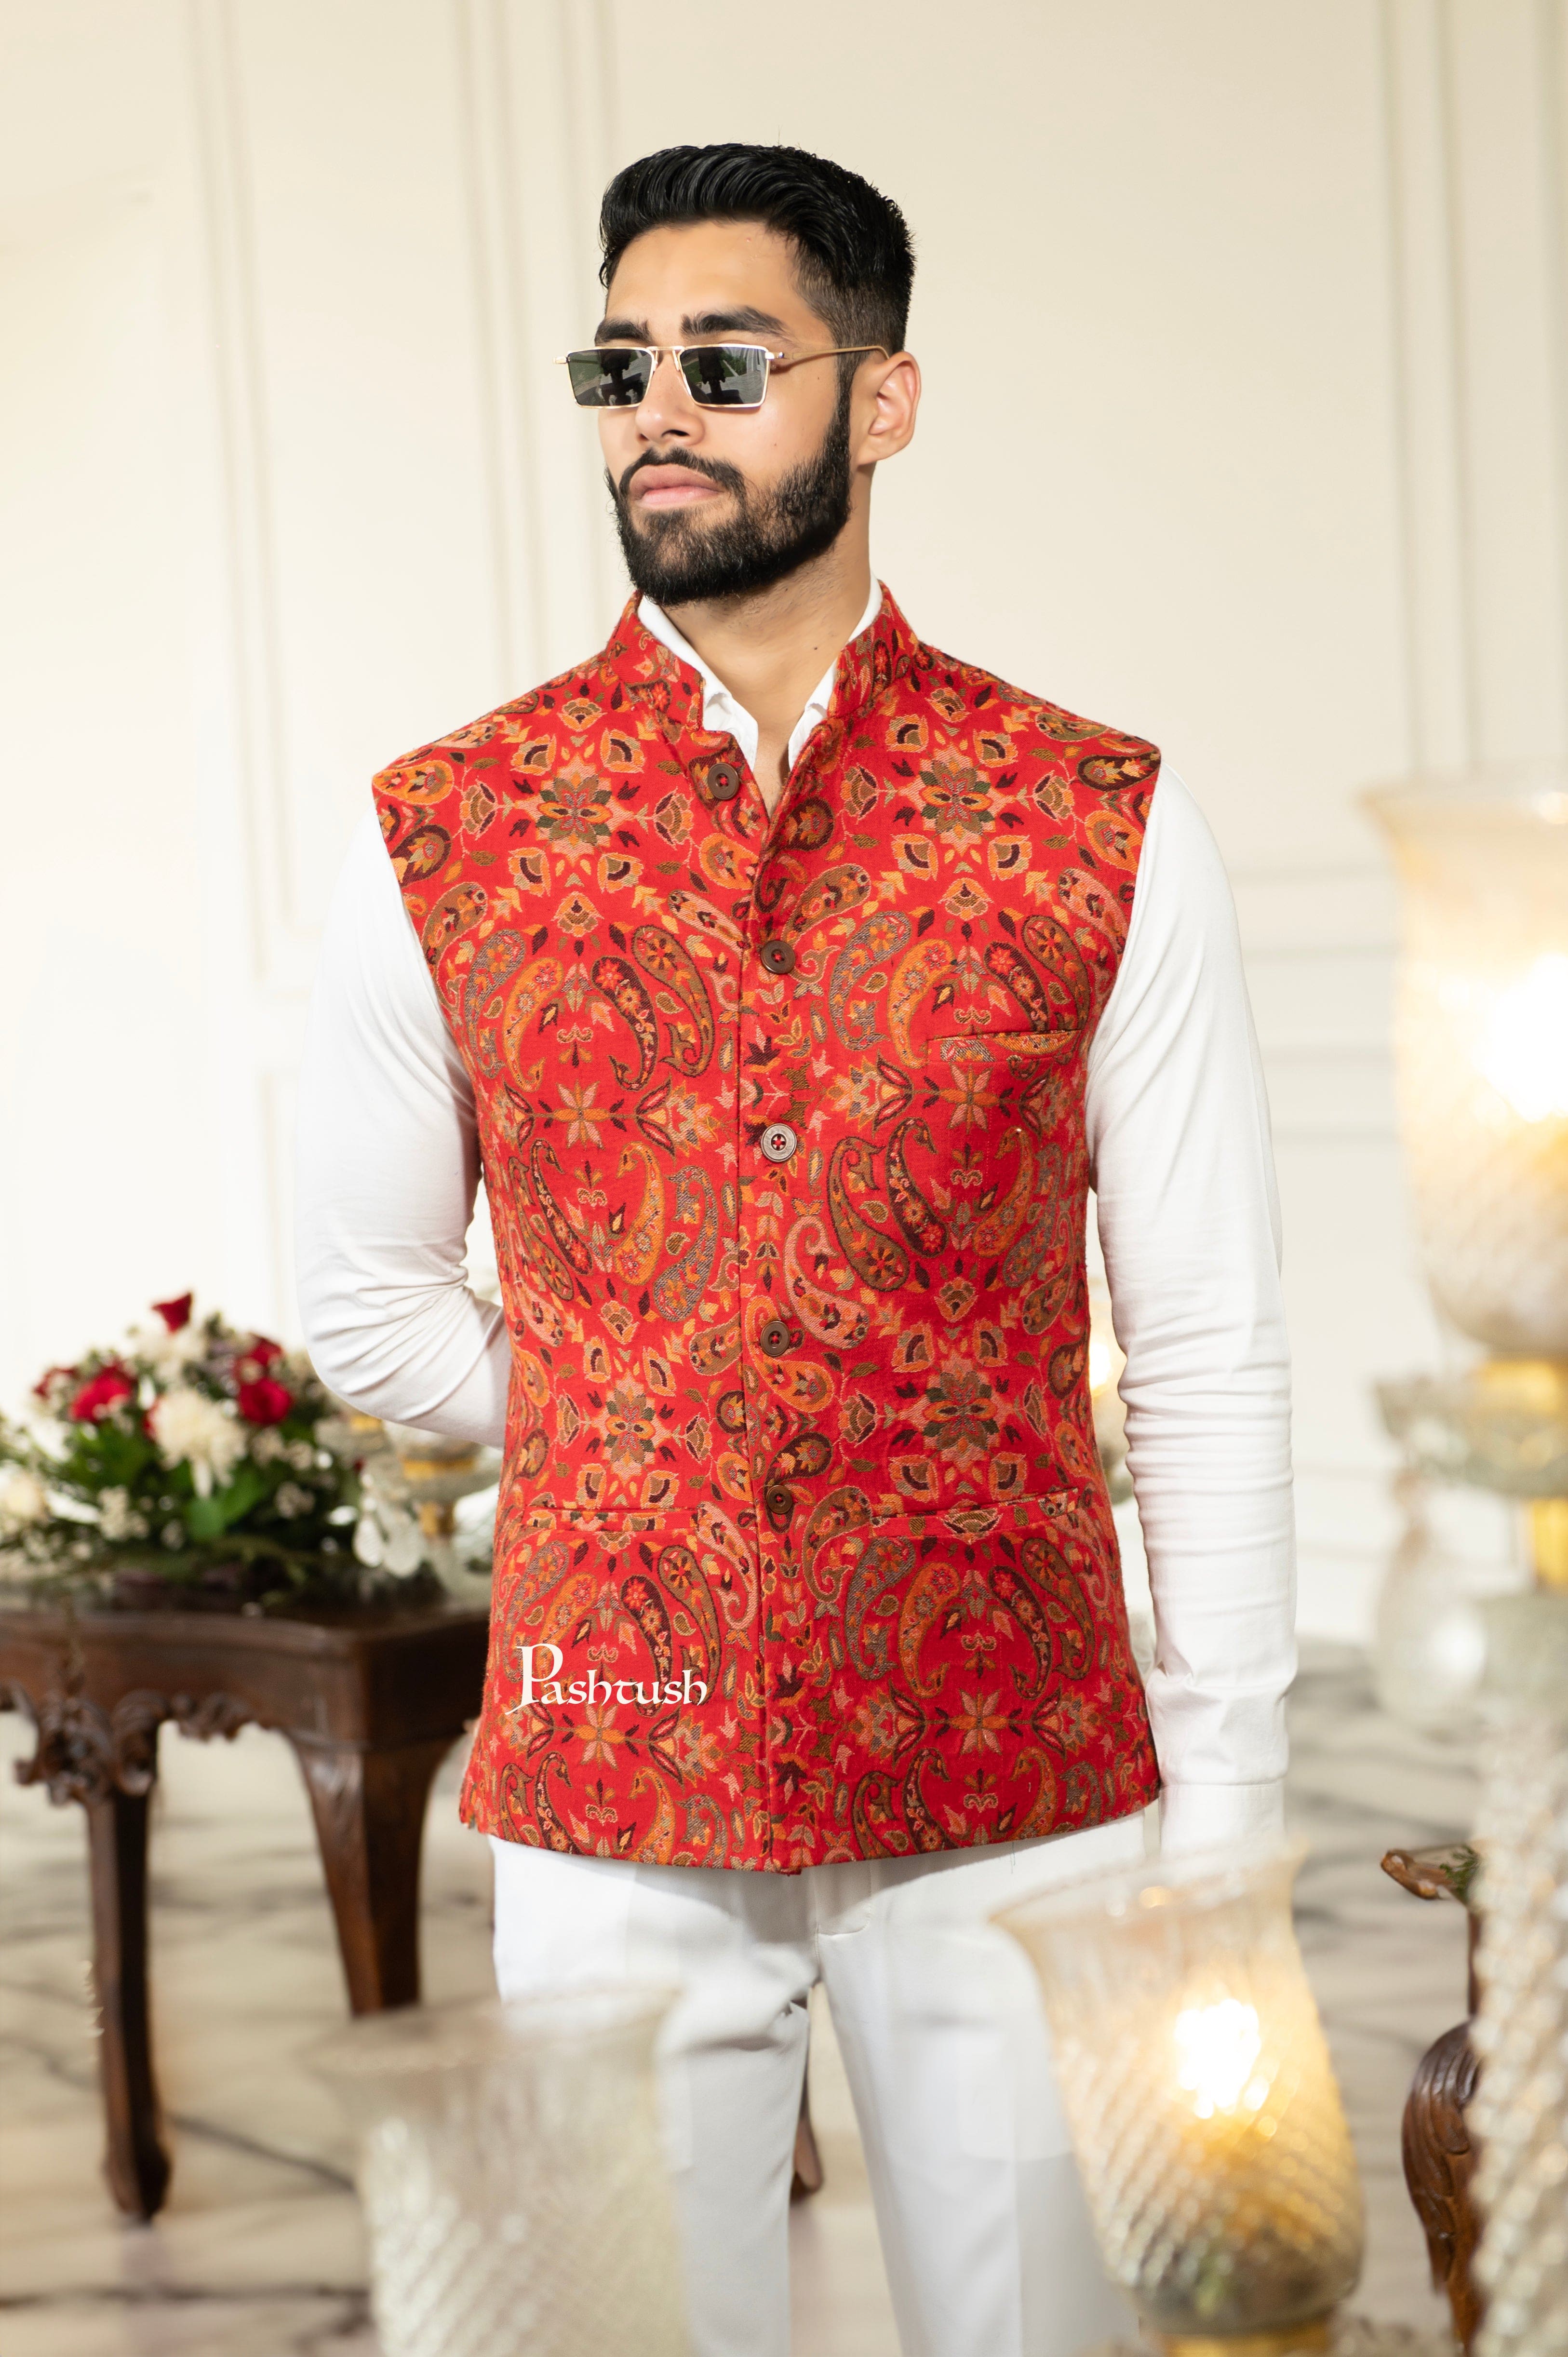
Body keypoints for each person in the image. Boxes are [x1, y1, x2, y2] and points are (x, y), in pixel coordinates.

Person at [296, 143, 1294, 2357]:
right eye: (622, 367)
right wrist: (641, 1425)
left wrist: (1227, 1810)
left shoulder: (1097, 818)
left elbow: (1206, 1340)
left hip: (1020, 1775)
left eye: (725, 365)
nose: (658, 411)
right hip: (611, 1755)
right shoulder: (441, 831)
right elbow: (367, 1295)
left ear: (885, 398)